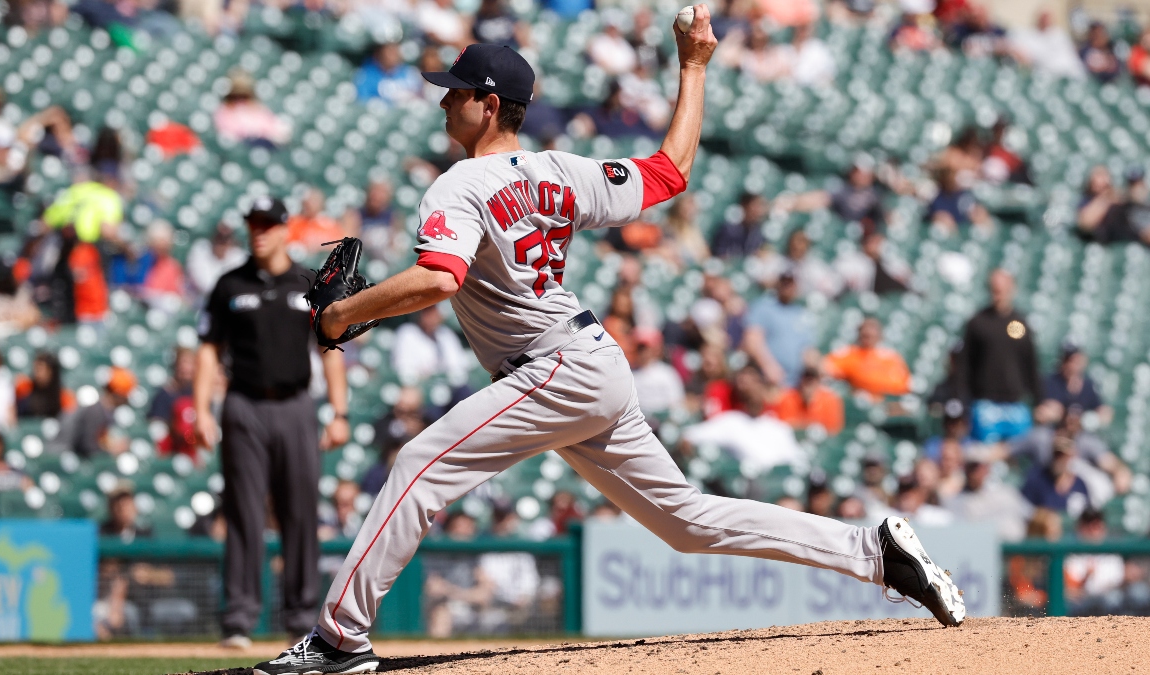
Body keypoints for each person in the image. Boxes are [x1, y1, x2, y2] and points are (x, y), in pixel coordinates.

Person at [257, 19, 963, 674]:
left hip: (554, 368)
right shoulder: (563, 171)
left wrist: (337, 316)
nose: (445, 105)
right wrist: (693, 67)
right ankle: (876, 551)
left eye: (457, 94)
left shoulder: (458, 183)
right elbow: (672, 169)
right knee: (685, 521)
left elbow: (441, 278)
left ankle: (338, 638)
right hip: (588, 362)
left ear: (490, 104)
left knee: (419, 462)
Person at [194, 196, 350, 648]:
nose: (259, 231)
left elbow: (331, 347)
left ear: (284, 229)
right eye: (253, 224)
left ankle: (302, 618)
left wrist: (339, 412)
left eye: (267, 224)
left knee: (300, 510)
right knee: (242, 510)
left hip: (296, 405)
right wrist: (202, 408)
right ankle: (239, 619)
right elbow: (208, 350)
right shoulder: (228, 284)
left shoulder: (308, 282)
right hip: (243, 405)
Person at [955, 269, 1040, 442]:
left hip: (1015, 404)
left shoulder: (1019, 324)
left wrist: (1040, 399)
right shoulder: (978, 322)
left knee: (1019, 455)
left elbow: (1031, 364)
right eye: (994, 289)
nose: (998, 295)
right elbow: (964, 366)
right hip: (986, 402)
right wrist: (962, 399)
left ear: (1012, 289)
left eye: (1002, 290)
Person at [742, 270, 817, 387]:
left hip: (795, 384)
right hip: (767, 380)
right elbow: (753, 341)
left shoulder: (800, 313)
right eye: (784, 283)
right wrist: (768, 366)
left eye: (790, 284)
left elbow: (807, 348)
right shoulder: (763, 307)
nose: (787, 287)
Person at [822, 316, 911, 401]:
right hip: (859, 401)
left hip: (886, 403)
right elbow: (825, 368)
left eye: (873, 328)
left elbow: (902, 385)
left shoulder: (891, 357)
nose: (868, 332)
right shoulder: (849, 353)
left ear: (880, 334)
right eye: (864, 328)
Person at [56, 367, 136, 459]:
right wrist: (112, 450)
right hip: (63, 456)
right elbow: (87, 446)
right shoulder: (95, 411)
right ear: (118, 394)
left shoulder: (105, 411)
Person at [390, 304, 472, 389]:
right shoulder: (407, 332)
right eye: (427, 312)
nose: (431, 317)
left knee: (465, 390)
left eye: (434, 312)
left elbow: (458, 366)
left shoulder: (446, 335)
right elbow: (403, 368)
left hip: (446, 386)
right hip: (420, 386)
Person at [1036, 342, 1111, 427]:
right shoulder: (1051, 381)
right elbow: (1043, 413)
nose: (1071, 365)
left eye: (1075, 360)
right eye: (1068, 360)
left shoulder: (1088, 385)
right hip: (1053, 430)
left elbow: (1104, 412)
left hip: (1078, 433)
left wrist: (1093, 418)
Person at [213, 69, 292, 148]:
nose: (240, 98)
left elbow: (274, 129)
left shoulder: (259, 108)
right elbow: (228, 135)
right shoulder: (223, 110)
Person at [1020, 435, 1090, 517]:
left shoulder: (1080, 485)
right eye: (1057, 454)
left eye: (1064, 456)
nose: (1059, 459)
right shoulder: (1036, 480)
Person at [148, 347, 198, 458]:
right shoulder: (164, 394)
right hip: (170, 447)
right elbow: (157, 426)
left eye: (190, 363)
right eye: (183, 363)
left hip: (192, 446)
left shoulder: (198, 393)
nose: (186, 368)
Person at [768, 365, 844, 435]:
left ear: (818, 383)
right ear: (801, 382)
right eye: (807, 381)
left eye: (812, 382)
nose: (809, 387)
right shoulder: (788, 398)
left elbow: (833, 431)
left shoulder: (830, 400)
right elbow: (783, 427)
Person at [187, 222, 247, 299]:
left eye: (226, 238)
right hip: (198, 303)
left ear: (231, 241)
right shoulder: (201, 249)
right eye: (219, 237)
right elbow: (206, 286)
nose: (222, 242)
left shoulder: (239, 256)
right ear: (213, 237)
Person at [288, 188, 350, 254]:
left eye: (314, 200)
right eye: (309, 200)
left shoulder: (329, 224)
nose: (310, 204)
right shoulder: (295, 222)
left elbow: (340, 245)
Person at [15, 351, 74, 418]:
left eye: (41, 369)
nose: (37, 374)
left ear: (51, 372)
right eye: (36, 369)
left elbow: (70, 417)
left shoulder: (64, 396)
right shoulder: (24, 388)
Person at [709, 191, 766, 258]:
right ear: (744, 206)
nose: (760, 210)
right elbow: (720, 256)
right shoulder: (729, 229)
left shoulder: (758, 231)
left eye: (762, 206)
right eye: (756, 205)